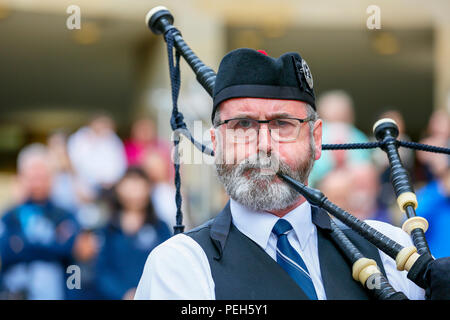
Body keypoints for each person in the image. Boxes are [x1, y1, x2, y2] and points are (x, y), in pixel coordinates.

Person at [135, 48, 425, 300]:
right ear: (216, 143)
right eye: (243, 125)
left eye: (283, 124)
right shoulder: (181, 264)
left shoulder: (390, 250)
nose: (264, 145)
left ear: (315, 139)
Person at [0, 144, 80, 299]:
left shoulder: (65, 215)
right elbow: (7, 252)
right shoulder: (10, 216)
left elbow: (69, 255)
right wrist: (52, 247)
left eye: (42, 176)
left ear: (52, 178)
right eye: (32, 177)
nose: (37, 183)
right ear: (21, 178)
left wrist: (23, 245)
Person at [95, 167, 171, 300]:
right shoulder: (109, 228)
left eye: (139, 184)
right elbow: (102, 271)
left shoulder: (160, 227)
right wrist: (123, 294)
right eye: (130, 184)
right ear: (119, 189)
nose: (135, 192)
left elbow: (169, 264)